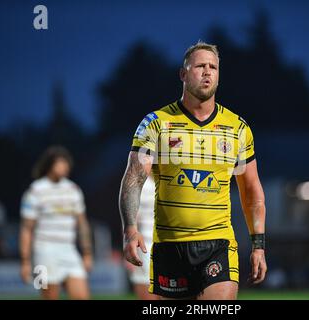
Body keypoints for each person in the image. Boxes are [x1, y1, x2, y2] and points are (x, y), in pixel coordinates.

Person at [119, 41, 267, 300]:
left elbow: (251, 192)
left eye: (213, 67)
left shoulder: (238, 128)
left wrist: (258, 246)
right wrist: (130, 229)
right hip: (169, 247)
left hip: (218, 244)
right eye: (200, 66)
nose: (207, 72)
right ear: (183, 74)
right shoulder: (156, 123)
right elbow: (133, 179)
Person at [19, 146, 93, 300]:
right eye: (60, 163)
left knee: (82, 296)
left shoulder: (73, 189)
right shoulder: (35, 190)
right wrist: (25, 261)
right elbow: (26, 229)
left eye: (66, 163)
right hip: (43, 252)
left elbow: (82, 224)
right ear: (50, 165)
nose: (64, 167)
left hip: (69, 250)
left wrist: (87, 253)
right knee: (48, 297)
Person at [125, 175, 159, 300]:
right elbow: (130, 219)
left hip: (170, 244)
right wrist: (128, 246)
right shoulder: (140, 185)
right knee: (148, 295)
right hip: (146, 245)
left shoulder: (171, 179)